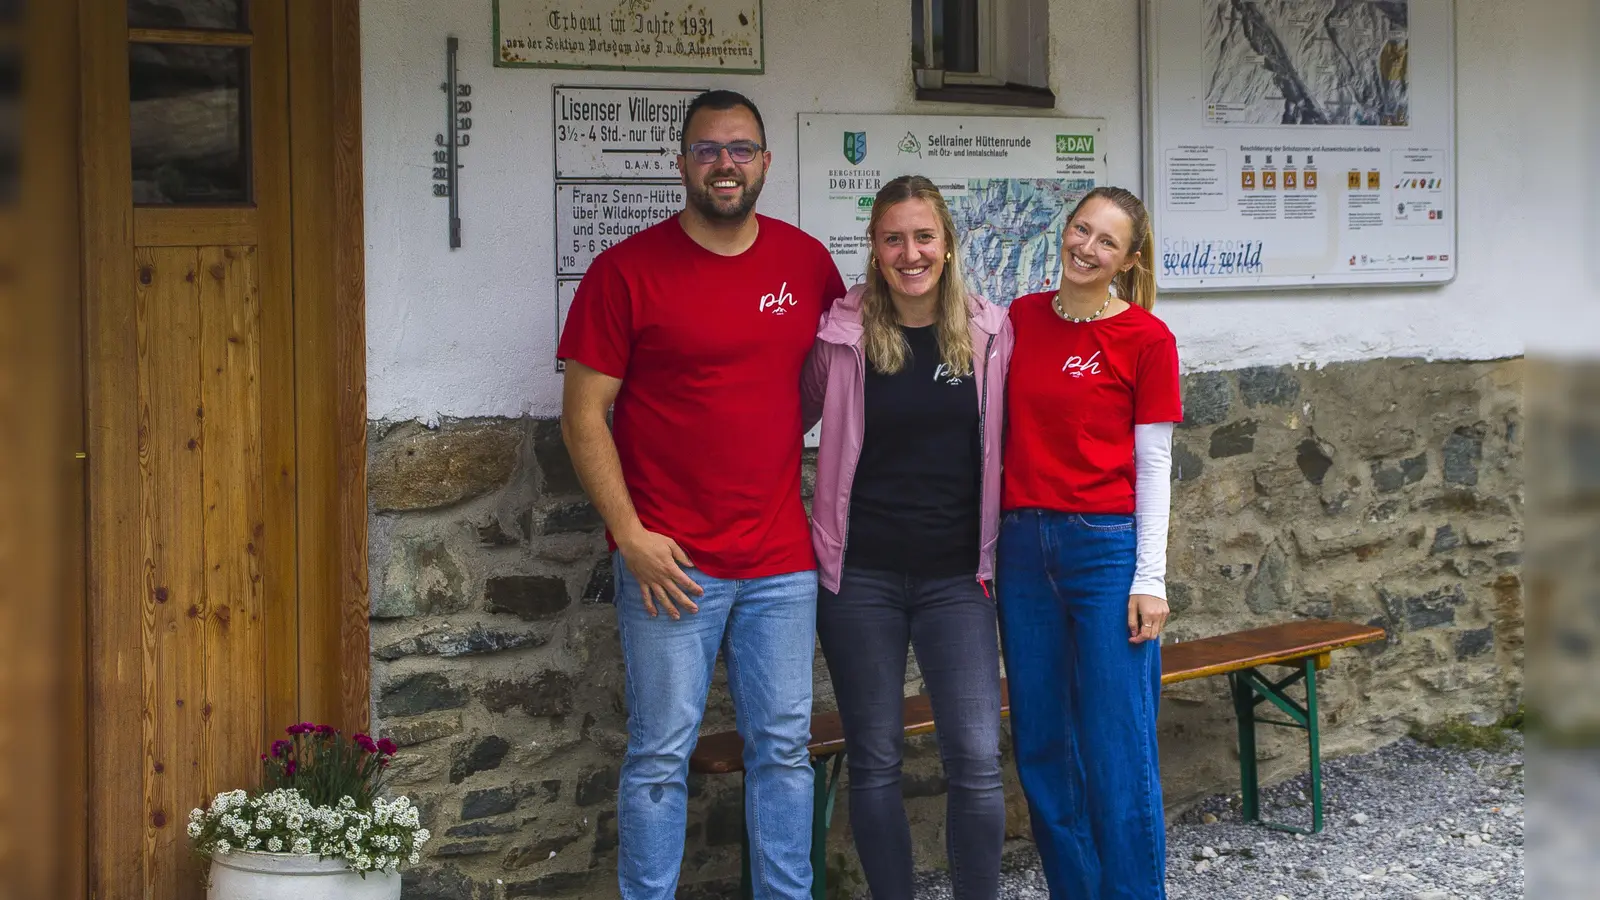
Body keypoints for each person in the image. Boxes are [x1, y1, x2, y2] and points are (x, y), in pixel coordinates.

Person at [557, 89, 846, 900]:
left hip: (779, 561)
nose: (727, 164)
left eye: (742, 149)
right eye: (709, 150)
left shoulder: (804, 263)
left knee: (783, 751)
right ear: (682, 163)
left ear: (765, 161)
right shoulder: (625, 272)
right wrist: (631, 537)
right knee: (659, 755)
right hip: (669, 563)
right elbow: (583, 416)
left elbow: (833, 377)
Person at [802, 175, 1012, 900]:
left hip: (958, 578)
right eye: (894, 238)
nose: (910, 252)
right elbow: (775, 420)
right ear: (874, 249)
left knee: (978, 760)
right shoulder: (840, 333)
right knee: (877, 760)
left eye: (924, 236)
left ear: (948, 244)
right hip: (860, 579)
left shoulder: (989, 333)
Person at [996, 186, 1183, 899]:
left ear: (1128, 260)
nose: (1087, 248)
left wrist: (1151, 578)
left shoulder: (1145, 339)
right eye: (1081, 230)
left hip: (1104, 550)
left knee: (1116, 744)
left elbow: (1156, 464)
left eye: (1107, 241)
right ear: (1063, 231)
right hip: (1020, 548)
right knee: (1042, 744)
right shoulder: (1019, 319)